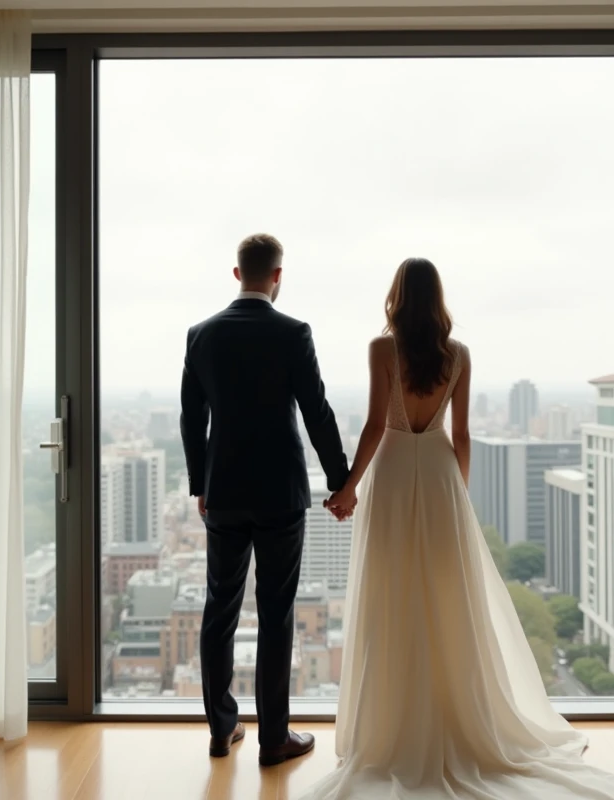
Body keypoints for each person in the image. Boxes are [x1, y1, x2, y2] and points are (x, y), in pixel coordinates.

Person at [299, 258, 614, 799]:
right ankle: (460, 716)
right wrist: (458, 492)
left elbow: (375, 424)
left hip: (393, 472)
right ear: (438, 300)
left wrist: (348, 487)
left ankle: (388, 727)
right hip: (440, 475)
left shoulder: (381, 349)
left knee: (391, 592)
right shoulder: (458, 355)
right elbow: (461, 434)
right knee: (448, 596)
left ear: (397, 295)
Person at [180, 233, 354, 768]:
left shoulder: (201, 335)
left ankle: (220, 729)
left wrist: (199, 485)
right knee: (277, 613)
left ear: (238, 274)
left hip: (225, 494)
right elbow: (317, 411)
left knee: (220, 609)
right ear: (278, 276)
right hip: (280, 493)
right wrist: (340, 481)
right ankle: (274, 739)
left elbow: (192, 418)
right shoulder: (293, 332)